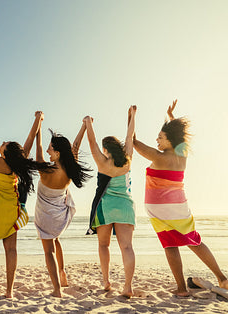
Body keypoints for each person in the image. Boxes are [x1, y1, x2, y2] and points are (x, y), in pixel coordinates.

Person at [132, 99, 228, 296]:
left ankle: (181, 288)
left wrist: (131, 118)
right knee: (194, 241)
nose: (157, 141)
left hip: (160, 210)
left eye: (160, 137)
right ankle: (222, 277)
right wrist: (172, 118)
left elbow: (133, 142)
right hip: (179, 207)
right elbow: (181, 139)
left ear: (170, 140)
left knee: (170, 244)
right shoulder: (182, 154)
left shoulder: (159, 157)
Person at [0, 106, 54, 299]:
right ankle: (9, 291)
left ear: (6, 153)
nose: (3, 141)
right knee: (11, 250)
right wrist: (39, 119)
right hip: (11, 212)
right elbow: (31, 139)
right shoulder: (19, 163)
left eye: (5, 143)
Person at [32, 111, 92, 297]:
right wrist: (84, 125)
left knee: (48, 251)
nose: (48, 151)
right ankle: (62, 273)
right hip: (61, 215)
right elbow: (75, 146)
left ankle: (57, 289)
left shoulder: (46, 170)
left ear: (57, 153)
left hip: (46, 216)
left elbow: (39, 147)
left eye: (52, 149)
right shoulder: (69, 167)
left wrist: (38, 123)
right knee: (56, 240)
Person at [84, 106, 137, 298]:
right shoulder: (127, 161)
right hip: (125, 207)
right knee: (127, 247)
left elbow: (91, 143)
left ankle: (106, 281)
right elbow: (130, 137)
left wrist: (89, 123)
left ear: (105, 149)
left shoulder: (102, 162)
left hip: (106, 208)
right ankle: (128, 286)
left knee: (104, 245)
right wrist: (132, 116)